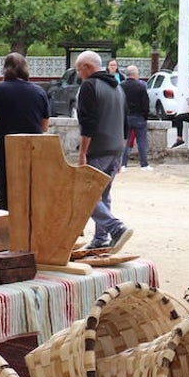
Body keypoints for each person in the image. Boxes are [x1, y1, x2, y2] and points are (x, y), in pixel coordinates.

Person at [0, 52, 50, 210]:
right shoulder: (39, 92)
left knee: (6, 200)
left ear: (5, 69)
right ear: (25, 69)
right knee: (30, 199)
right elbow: (44, 127)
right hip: (32, 153)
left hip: (4, 153)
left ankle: (9, 233)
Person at [74, 50, 128, 249]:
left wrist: (82, 153)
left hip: (97, 150)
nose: (79, 75)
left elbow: (87, 122)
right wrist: (121, 152)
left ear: (87, 67)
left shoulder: (90, 86)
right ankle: (100, 240)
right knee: (103, 195)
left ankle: (116, 228)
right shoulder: (118, 87)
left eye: (79, 70)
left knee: (86, 194)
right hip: (115, 150)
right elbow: (125, 123)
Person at [120, 65, 151, 170]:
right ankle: (144, 164)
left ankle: (123, 164)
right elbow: (146, 103)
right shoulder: (141, 86)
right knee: (141, 141)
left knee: (125, 141)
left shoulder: (121, 86)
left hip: (125, 117)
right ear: (135, 74)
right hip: (139, 117)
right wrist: (145, 116)